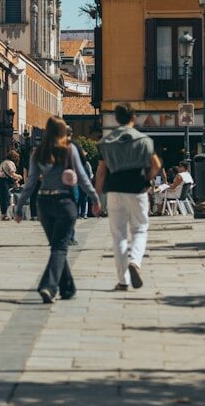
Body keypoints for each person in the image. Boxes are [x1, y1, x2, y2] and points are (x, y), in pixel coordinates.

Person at [16, 115, 100, 303]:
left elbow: (30, 183)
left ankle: (68, 288)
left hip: (44, 203)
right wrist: (95, 198)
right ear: (63, 132)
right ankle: (48, 286)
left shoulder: (38, 152)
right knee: (60, 248)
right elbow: (83, 177)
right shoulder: (69, 149)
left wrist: (20, 206)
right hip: (64, 201)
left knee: (57, 247)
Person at [96, 103, 160, 291]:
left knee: (119, 235)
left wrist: (96, 197)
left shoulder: (106, 142)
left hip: (115, 189)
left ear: (116, 119)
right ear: (134, 118)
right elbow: (155, 164)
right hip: (137, 188)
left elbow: (101, 171)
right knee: (140, 229)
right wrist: (147, 178)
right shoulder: (144, 140)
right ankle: (135, 262)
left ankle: (123, 281)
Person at [0, 150, 20, 219]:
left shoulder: (4, 162)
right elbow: (12, 173)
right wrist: (19, 176)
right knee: (5, 197)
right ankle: (4, 214)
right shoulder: (9, 163)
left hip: (1, 181)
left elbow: (9, 175)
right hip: (3, 181)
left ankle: (4, 214)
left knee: (4, 197)